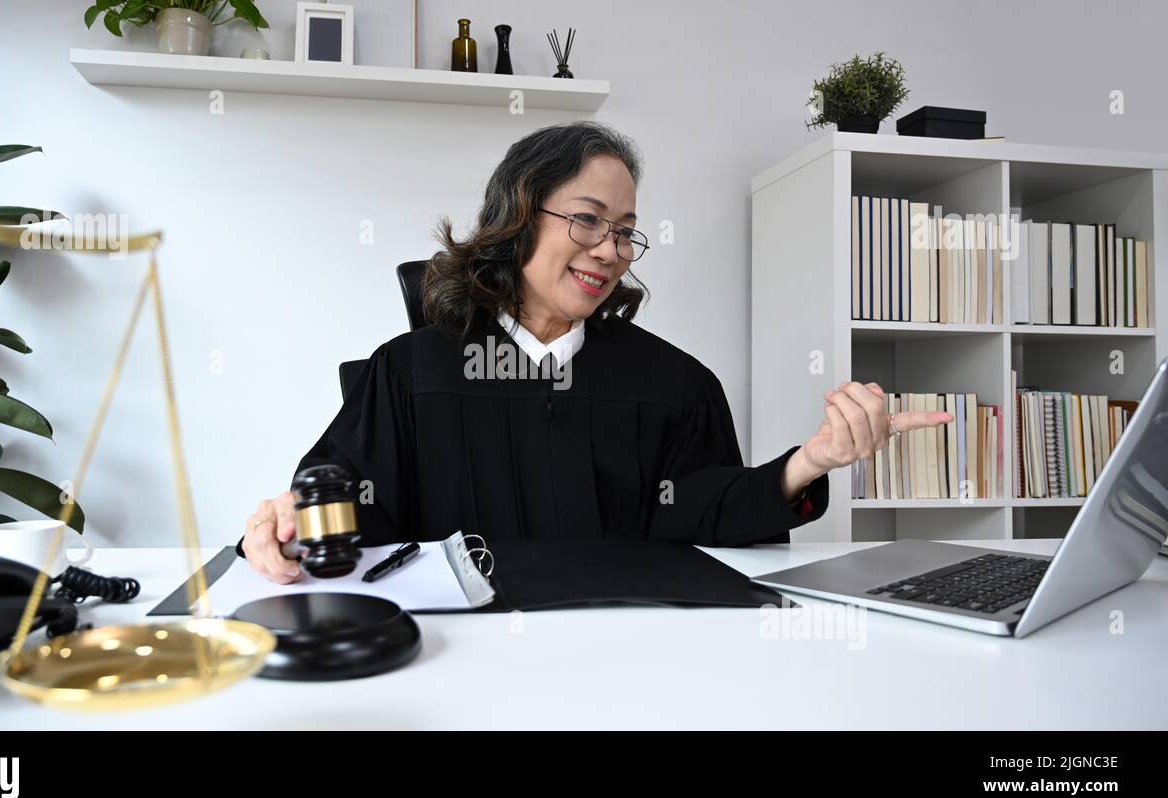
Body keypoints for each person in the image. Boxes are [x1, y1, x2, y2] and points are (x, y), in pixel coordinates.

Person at [240, 122, 952, 583]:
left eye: (626, 231)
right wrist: (291, 522)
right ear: (518, 219)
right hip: (460, 666)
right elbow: (343, 508)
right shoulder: (410, 372)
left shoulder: (673, 383)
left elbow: (708, 514)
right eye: (587, 220)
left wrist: (810, 462)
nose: (610, 251)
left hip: (627, 661)